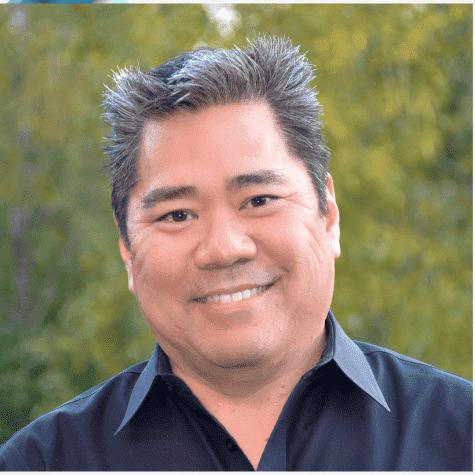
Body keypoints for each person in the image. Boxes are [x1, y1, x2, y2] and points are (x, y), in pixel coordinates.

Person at [0, 35, 471, 471]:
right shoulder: (42, 463)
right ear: (127, 248)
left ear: (328, 215)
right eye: (177, 215)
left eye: (259, 200)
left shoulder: (459, 436)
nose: (224, 248)